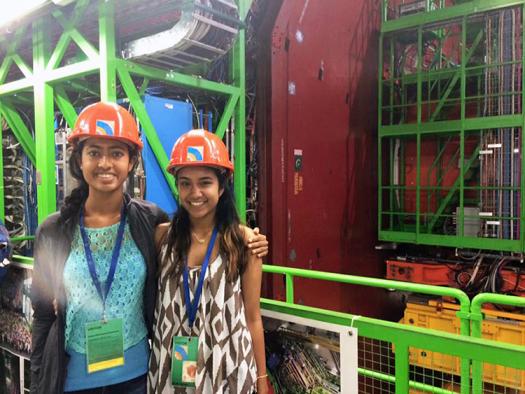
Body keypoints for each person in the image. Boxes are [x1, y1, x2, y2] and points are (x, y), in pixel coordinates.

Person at [30, 102, 268, 394]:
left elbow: (200, 231)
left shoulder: (148, 222)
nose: (105, 163)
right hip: (73, 380)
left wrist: (245, 234)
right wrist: (39, 378)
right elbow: (42, 315)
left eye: (116, 153)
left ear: (131, 162)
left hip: (139, 378)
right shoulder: (54, 232)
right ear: (79, 160)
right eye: (94, 152)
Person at [148, 129, 268, 394]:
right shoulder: (162, 238)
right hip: (172, 368)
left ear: (221, 186)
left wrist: (261, 378)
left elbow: (252, 316)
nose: (195, 193)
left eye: (205, 182)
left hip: (228, 367)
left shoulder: (243, 241)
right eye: (185, 183)